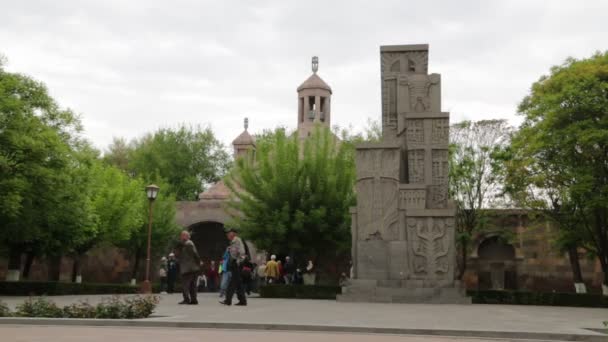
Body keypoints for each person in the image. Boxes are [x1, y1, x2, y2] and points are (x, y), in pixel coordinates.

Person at [220, 228, 247, 306]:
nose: (227, 235)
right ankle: (242, 301)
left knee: (232, 283)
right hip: (234, 264)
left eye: (229, 233)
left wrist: (238, 262)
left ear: (233, 234)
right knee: (238, 283)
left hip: (237, 264)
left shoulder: (237, 241)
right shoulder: (232, 242)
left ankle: (228, 300)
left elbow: (242, 253)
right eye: (227, 233)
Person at [175, 230, 201, 305]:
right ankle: (193, 299)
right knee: (193, 285)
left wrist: (198, 262)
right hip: (193, 268)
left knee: (185, 285)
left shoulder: (188, 243)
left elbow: (195, 254)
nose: (181, 237)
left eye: (182, 235)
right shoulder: (186, 244)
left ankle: (187, 299)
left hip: (187, 268)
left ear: (186, 236)